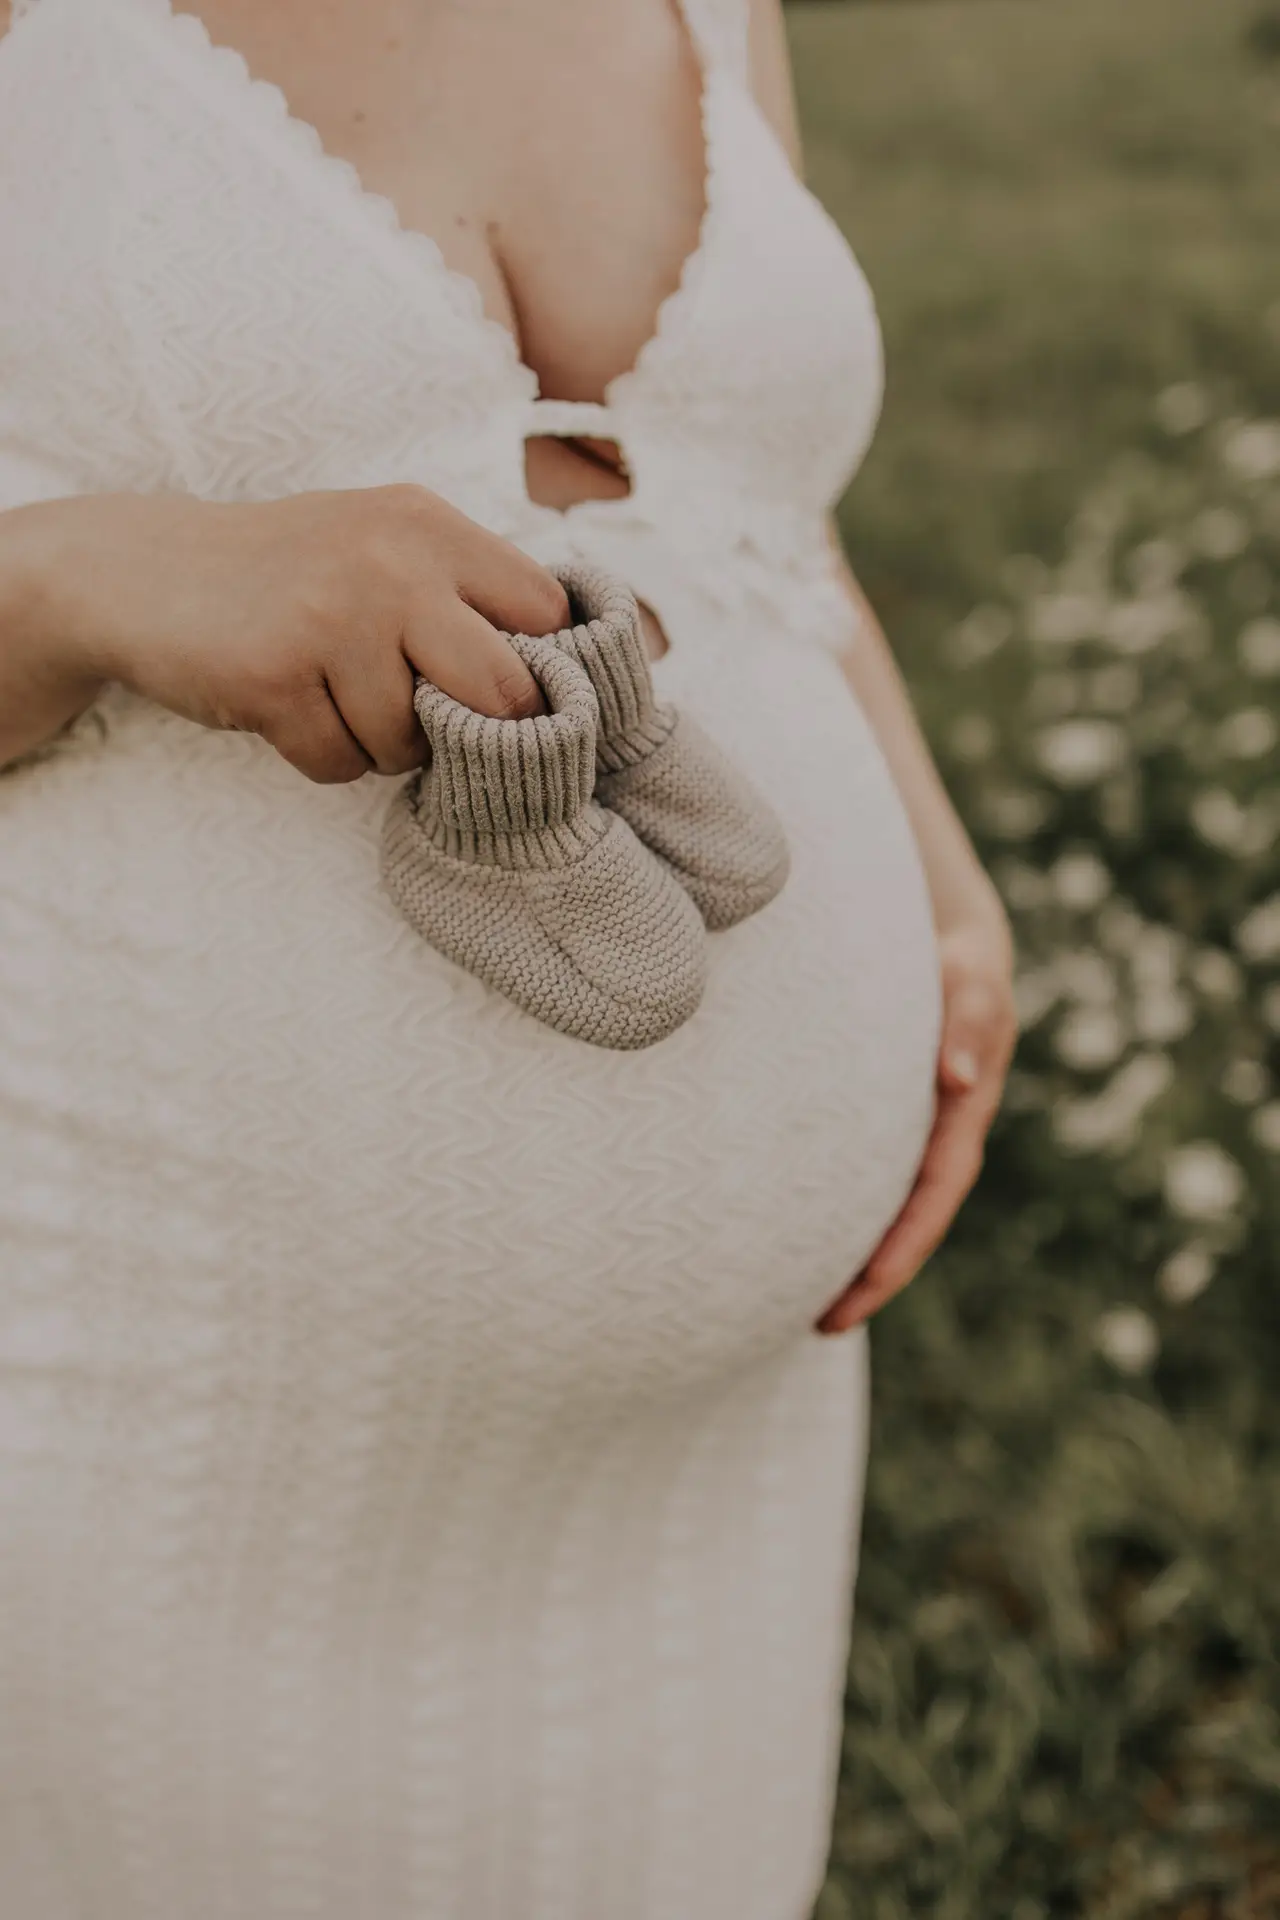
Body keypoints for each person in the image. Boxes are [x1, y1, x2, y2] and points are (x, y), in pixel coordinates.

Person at [0, 0, 1016, 1913]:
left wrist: (945, 879)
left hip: (718, 1480)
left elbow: (767, 517)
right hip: (174, 1433)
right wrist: (90, 577)